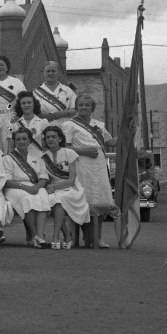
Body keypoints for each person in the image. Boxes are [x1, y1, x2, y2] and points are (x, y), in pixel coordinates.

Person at [63, 94, 118, 249]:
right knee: (83, 200)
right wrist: (84, 151)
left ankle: (97, 238)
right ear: (76, 107)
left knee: (99, 201)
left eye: (87, 105)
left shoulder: (99, 125)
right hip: (81, 166)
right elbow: (65, 147)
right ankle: (78, 237)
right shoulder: (69, 125)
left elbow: (110, 142)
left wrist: (128, 133)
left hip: (99, 167)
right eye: (81, 105)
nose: (84, 107)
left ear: (92, 108)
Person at [41, 125, 90, 249]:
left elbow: (71, 179)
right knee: (55, 200)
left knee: (58, 199)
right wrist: (50, 187)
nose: (51, 139)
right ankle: (66, 235)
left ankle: (55, 236)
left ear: (60, 139)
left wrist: (54, 187)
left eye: (54, 137)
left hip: (72, 189)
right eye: (48, 137)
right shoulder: (43, 157)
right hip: (54, 190)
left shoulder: (70, 153)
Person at [3, 126, 52, 248]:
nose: (21, 141)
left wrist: (38, 187)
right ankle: (36, 235)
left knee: (42, 196)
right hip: (15, 188)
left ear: (29, 141)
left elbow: (43, 178)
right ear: (14, 141)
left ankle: (39, 235)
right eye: (18, 139)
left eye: (24, 139)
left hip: (34, 186)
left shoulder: (37, 158)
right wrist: (24, 187)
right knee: (28, 198)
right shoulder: (7, 159)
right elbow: (5, 181)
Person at [10, 91, 49, 158]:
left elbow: (46, 147)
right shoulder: (14, 124)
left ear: (34, 104)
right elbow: (11, 147)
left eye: (29, 102)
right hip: (20, 162)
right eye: (23, 103)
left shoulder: (43, 122)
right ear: (20, 106)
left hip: (38, 159)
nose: (26, 105)